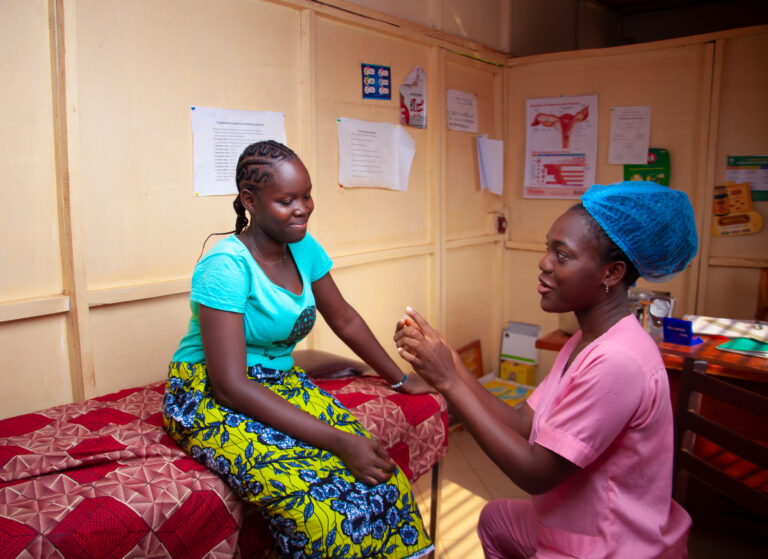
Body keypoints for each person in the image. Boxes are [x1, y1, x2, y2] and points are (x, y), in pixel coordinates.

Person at [394, 181, 697, 558]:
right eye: (547, 249)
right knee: (495, 519)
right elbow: (523, 423)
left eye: (562, 255)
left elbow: (536, 474)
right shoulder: (586, 339)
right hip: (575, 523)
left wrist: (450, 382)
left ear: (612, 273)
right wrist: (450, 362)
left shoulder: (618, 362)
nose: (544, 263)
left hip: (610, 543)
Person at [163, 140, 434, 559]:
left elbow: (343, 318)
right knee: (314, 504)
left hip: (277, 382)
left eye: (306, 195)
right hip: (209, 392)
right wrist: (339, 442)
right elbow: (231, 386)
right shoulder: (225, 266)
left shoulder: (304, 248)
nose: (302, 208)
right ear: (250, 201)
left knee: (382, 477)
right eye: (286, 200)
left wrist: (398, 377)